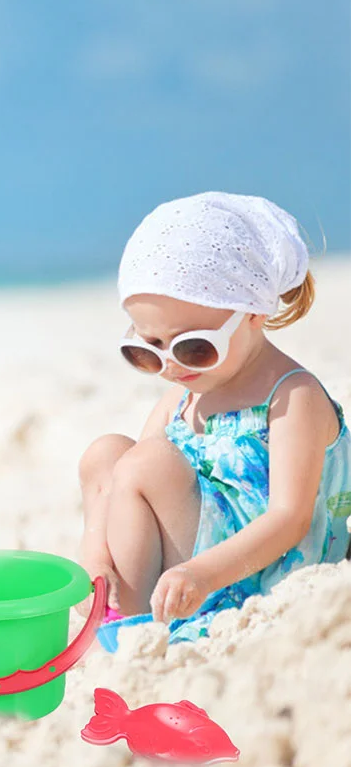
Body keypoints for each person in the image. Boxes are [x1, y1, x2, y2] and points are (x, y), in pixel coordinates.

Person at [77, 192, 350, 644]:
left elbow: (290, 518)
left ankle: (128, 621)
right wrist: (96, 545)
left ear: (253, 313)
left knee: (147, 465)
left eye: (194, 347)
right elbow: (127, 486)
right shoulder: (181, 396)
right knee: (106, 453)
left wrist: (202, 574)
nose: (172, 366)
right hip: (182, 571)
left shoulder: (291, 397)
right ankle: (102, 583)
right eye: (146, 350)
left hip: (244, 573)